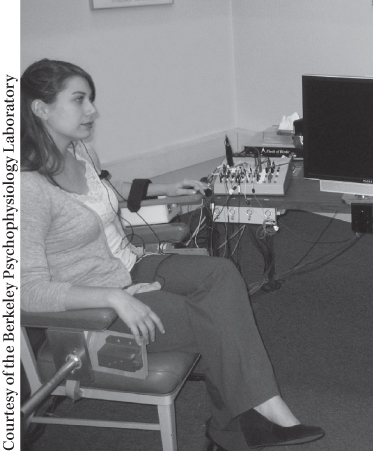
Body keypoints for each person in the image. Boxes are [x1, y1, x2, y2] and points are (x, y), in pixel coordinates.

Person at [20, 59, 324, 451]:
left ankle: (244, 419)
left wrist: (163, 188)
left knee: (222, 275)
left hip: (130, 265)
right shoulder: (27, 190)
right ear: (40, 108)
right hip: (95, 309)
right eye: (79, 100)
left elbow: (107, 189)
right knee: (216, 318)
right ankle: (259, 413)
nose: (92, 110)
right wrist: (113, 297)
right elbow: (24, 290)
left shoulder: (78, 152)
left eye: (90, 99)